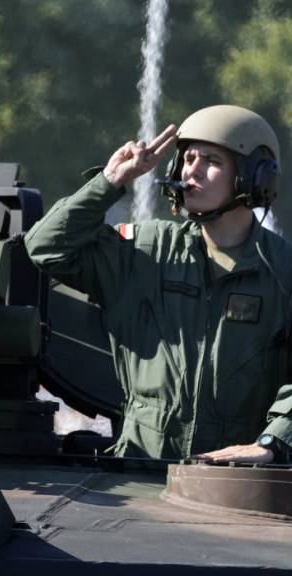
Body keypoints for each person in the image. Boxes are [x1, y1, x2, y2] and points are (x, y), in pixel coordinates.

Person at [25, 105, 292, 464]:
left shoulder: (283, 270)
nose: (191, 171)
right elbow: (45, 247)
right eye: (188, 158)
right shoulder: (146, 253)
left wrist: (273, 443)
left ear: (253, 177)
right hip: (140, 469)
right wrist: (110, 181)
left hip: (236, 480)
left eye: (211, 160)